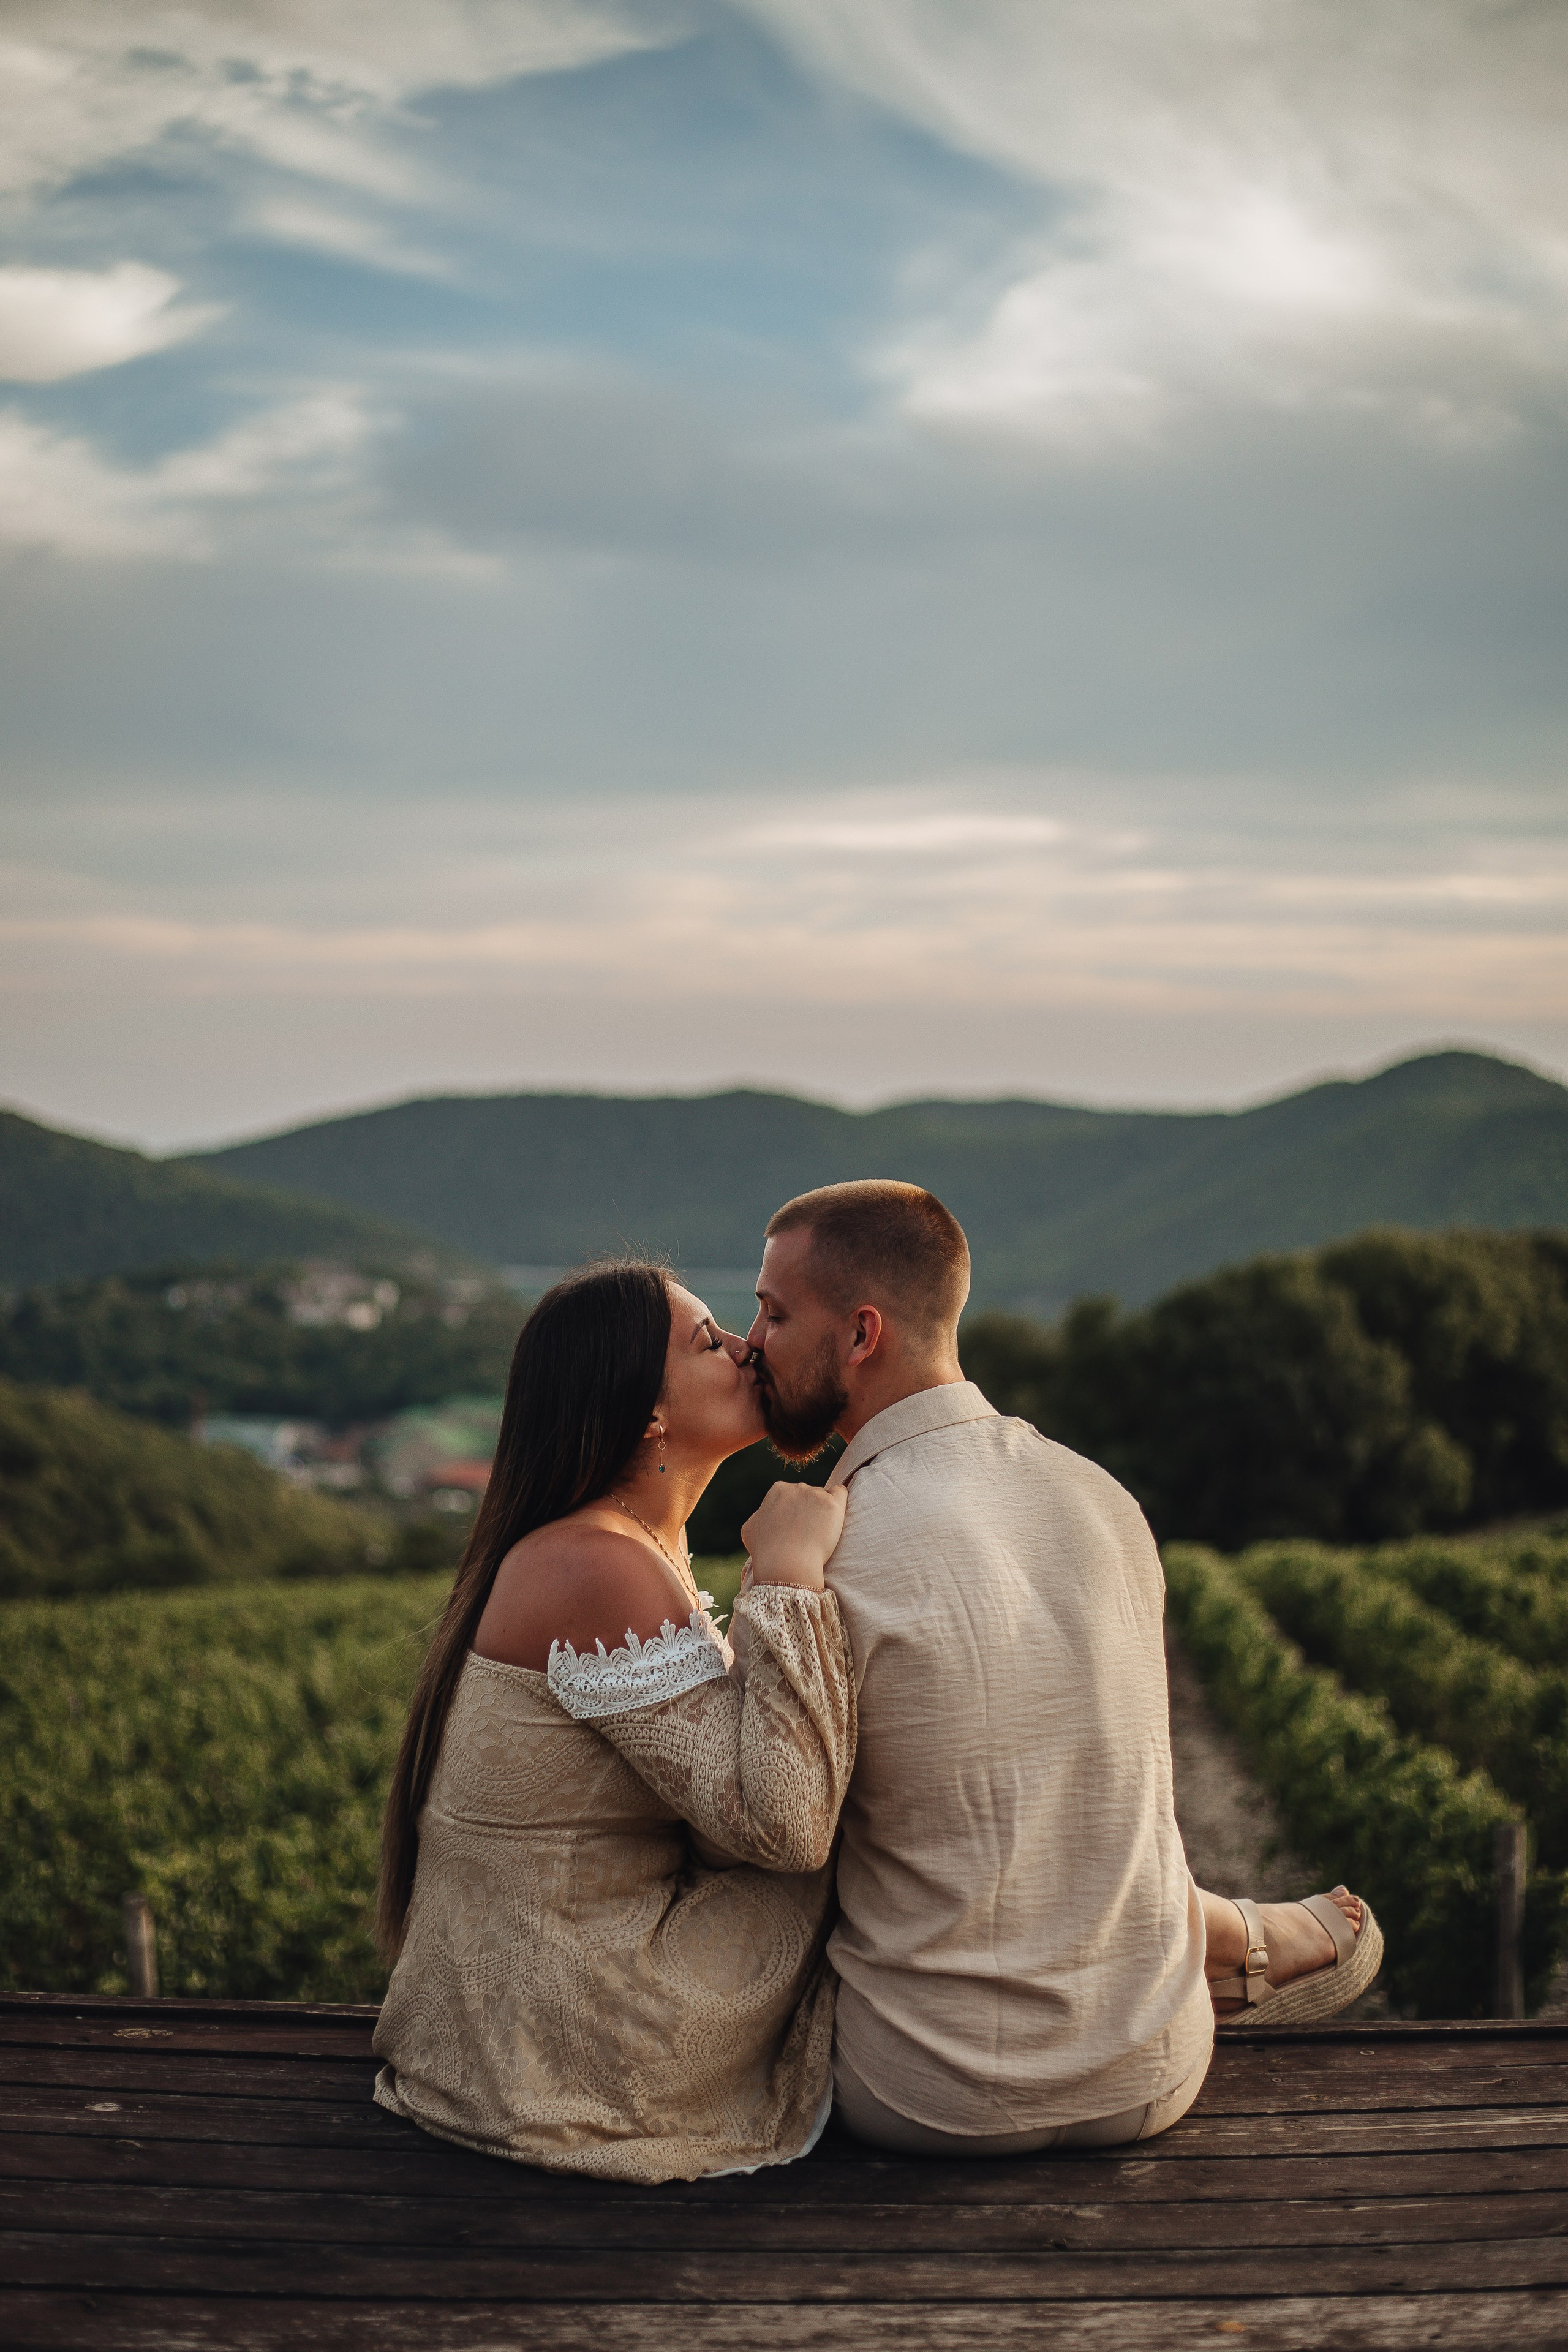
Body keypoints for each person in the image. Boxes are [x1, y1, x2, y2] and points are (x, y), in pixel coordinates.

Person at [744, 1180, 1383, 2157]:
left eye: (775, 1312)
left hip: (923, 2098)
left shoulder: (823, 1550)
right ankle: (1228, 1946)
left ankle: (1231, 1941)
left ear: (862, 1334)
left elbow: (780, 1831)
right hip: (1157, 2074)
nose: (753, 1341)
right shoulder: (1105, 1499)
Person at [372, 1259, 853, 2184]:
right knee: (878, 1808)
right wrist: (792, 1575)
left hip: (520, 2035)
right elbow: (788, 1826)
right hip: (579, 2049)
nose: (747, 1347)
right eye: (710, 1342)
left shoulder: (615, 1550)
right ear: (646, 1414)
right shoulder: (596, 1563)